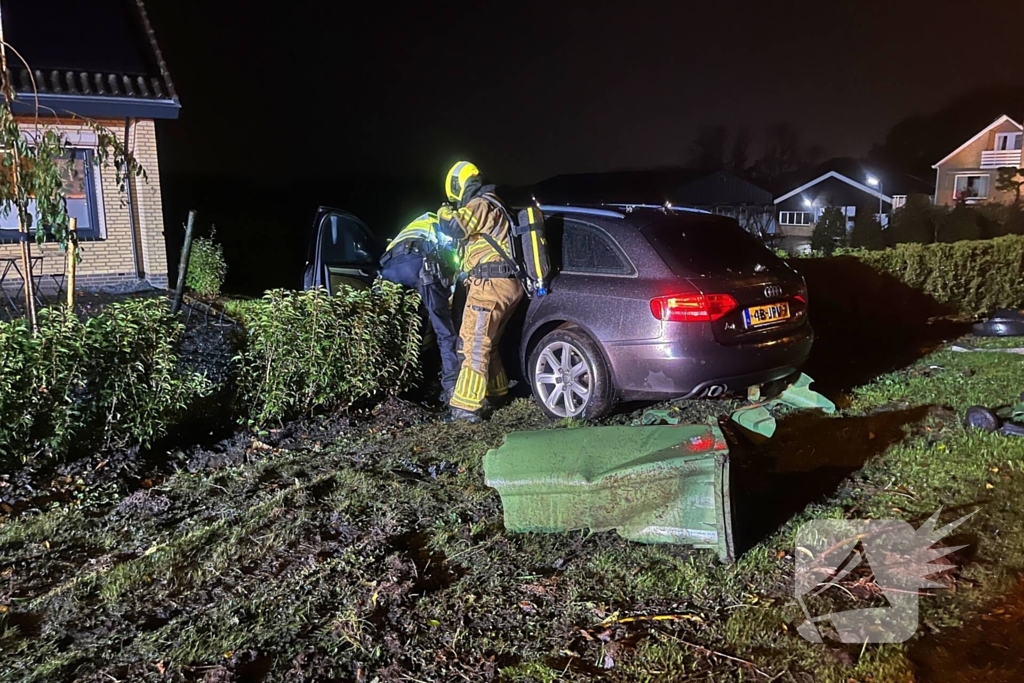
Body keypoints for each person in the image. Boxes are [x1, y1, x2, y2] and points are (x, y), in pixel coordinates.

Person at [437, 161, 524, 423]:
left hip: (489, 284)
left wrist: (443, 212)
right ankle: (497, 392)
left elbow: (455, 226)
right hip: (504, 283)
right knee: (490, 342)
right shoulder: (496, 204)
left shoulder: (480, 204)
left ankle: (465, 409)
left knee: (473, 344)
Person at [378, 212, 460, 402]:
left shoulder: (413, 225)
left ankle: (396, 383)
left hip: (389, 268)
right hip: (419, 263)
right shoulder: (441, 224)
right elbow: (452, 258)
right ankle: (452, 386)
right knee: (444, 329)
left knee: (402, 326)